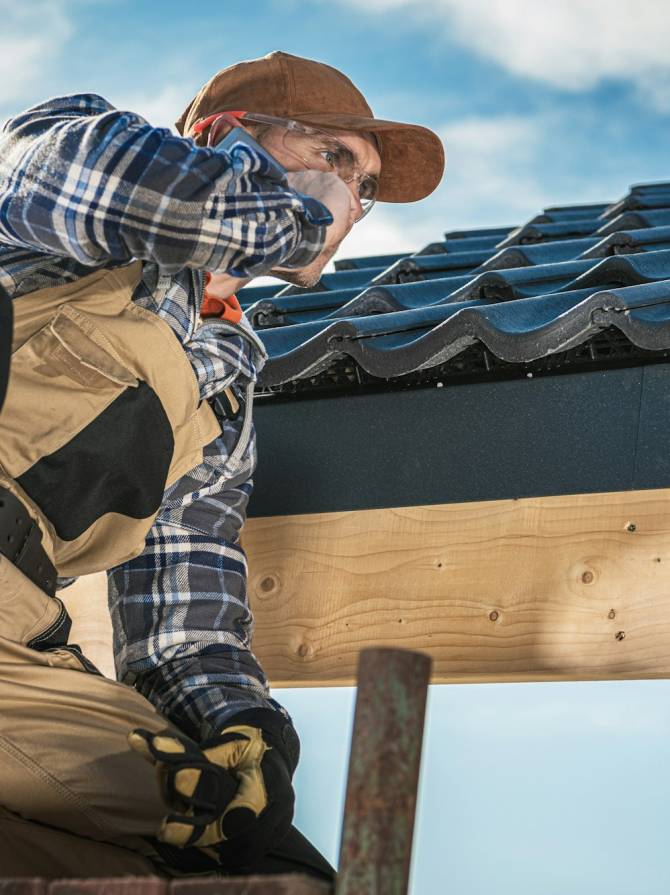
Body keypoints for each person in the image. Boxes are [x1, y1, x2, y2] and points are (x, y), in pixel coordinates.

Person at [0, 51, 444, 879]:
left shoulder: (223, 395)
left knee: (243, 852)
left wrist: (246, 725)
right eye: (337, 158)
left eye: (368, 186)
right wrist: (293, 209)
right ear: (226, 134)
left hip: (11, 632)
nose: (355, 200)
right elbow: (137, 190)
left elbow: (182, 626)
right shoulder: (65, 168)